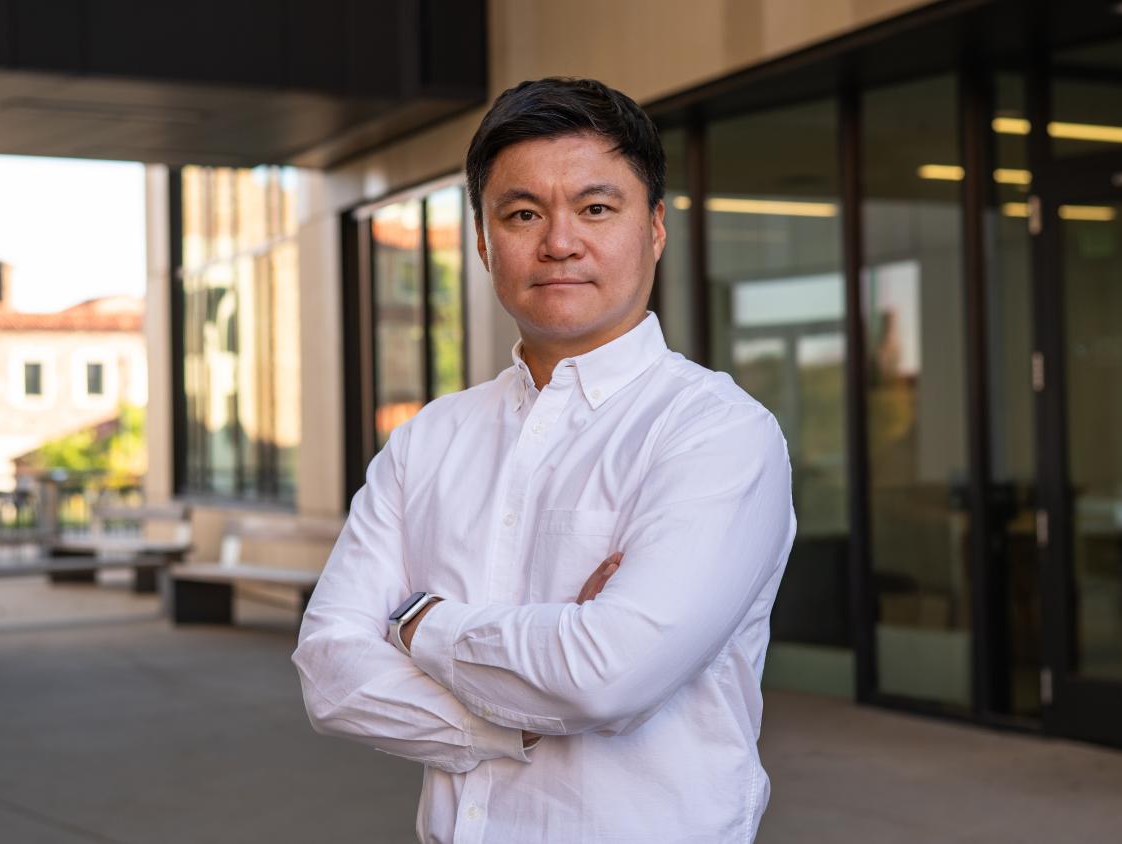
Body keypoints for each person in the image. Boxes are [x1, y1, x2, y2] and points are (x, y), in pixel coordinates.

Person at [292, 76, 796, 843]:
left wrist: (419, 624)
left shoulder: (716, 432)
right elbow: (330, 673)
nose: (560, 242)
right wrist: (517, 715)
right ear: (483, 239)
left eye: (596, 209)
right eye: (523, 214)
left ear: (655, 227)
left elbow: (608, 676)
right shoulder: (430, 439)